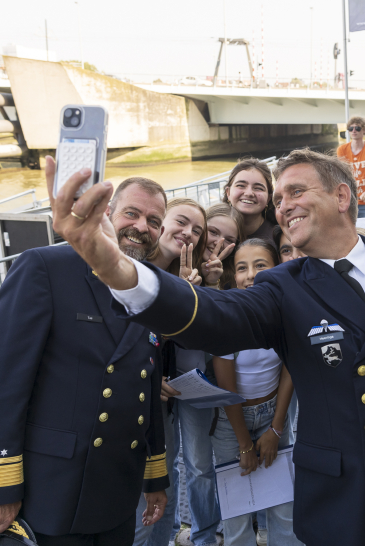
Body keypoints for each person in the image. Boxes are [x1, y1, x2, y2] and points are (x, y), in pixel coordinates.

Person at [51, 149, 365, 546]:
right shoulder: (283, 287)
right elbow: (211, 318)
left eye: (296, 191)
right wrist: (115, 268)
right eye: (279, 198)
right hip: (345, 509)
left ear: (341, 197)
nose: (283, 204)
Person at [0, 174, 170, 546]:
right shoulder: (45, 268)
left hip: (118, 486)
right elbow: (2, 381)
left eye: (154, 221)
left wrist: (155, 476)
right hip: (55, 485)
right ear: (107, 213)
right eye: (132, 213)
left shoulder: (150, 287)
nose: (141, 227)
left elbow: (145, 385)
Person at [211, 238, 302, 546]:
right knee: (236, 510)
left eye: (260, 265)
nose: (250, 275)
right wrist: (244, 445)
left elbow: (290, 368)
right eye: (241, 268)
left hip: (273, 412)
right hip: (230, 421)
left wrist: (276, 430)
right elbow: (227, 388)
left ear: (276, 268)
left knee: (284, 504)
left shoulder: (286, 311)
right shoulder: (227, 316)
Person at [133, 198, 210, 546]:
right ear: (160, 222)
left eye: (197, 231)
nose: (187, 233)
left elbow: (174, 339)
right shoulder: (132, 266)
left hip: (162, 396)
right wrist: (150, 377)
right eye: (181, 221)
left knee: (165, 474)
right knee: (141, 489)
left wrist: (186, 293)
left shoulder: (184, 278)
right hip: (134, 399)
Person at [337, 115, 365, 219]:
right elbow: (341, 174)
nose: (354, 131)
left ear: (364, 130)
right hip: (349, 199)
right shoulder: (342, 150)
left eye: (357, 128)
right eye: (350, 128)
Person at [223, 158, 276, 241]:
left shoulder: (279, 238)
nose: (249, 193)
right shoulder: (211, 230)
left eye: (258, 188)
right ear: (228, 193)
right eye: (241, 185)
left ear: (269, 198)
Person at [200, 203, 243, 289]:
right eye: (213, 232)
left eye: (229, 240)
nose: (218, 243)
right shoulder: (177, 259)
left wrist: (212, 283)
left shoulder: (235, 280)